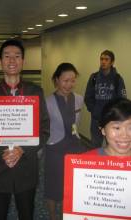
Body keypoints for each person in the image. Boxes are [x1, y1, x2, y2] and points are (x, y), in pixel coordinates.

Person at [0, 39, 50, 220]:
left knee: (27, 215)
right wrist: (3, 154)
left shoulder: (35, 92)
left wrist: (22, 150)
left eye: (17, 56)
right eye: (7, 56)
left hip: (26, 169)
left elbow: (45, 129)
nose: (12, 61)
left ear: (23, 61)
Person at [44, 63, 86, 220]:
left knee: (73, 185)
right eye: (65, 80)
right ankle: (53, 215)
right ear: (56, 80)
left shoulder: (79, 99)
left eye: (73, 80)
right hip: (55, 148)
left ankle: (68, 213)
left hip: (75, 146)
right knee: (54, 185)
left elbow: (77, 123)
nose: (69, 84)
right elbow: (43, 129)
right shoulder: (47, 102)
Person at [84, 50, 126, 148]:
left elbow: (122, 101)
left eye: (106, 59)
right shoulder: (94, 77)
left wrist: (115, 115)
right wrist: (94, 111)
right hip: (96, 120)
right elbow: (88, 97)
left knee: (112, 147)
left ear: (112, 62)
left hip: (111, 121)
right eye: (101, 59)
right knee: (95, 146)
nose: (103, 61)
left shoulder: (117, 79)